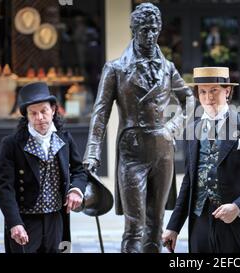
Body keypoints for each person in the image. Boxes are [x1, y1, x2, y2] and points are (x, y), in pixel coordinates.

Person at [83, 3, 194, 253]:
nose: (150, 34)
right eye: (144, 29)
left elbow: (190, 100)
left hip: (163, 150)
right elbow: (100, 112)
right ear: (133, 30)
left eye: (154, 29)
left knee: (156, 225)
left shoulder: (168, 68)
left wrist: (173, 127)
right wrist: (92, 151)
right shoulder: (116, 68)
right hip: (132, 151)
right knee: (134, 225)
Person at [162, 67, 240, 253]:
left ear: (228, 91)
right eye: (203, 92)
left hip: (238, 225)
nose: (208, 97)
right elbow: (189, 181)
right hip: (200, 224)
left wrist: (238, 207)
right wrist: (173, 226)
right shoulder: (191, 131)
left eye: (214, 90)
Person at [0, 82, 87, 253]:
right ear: (27, 116)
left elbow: (79, 171)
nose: (39, 117)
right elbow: (4, 187)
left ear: (53, 110)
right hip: (25, 221)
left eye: (43, 111)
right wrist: (14, 222)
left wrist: (76, 190)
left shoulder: (65, 139)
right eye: (33, 113)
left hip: (56, 218)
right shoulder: (12, 144)